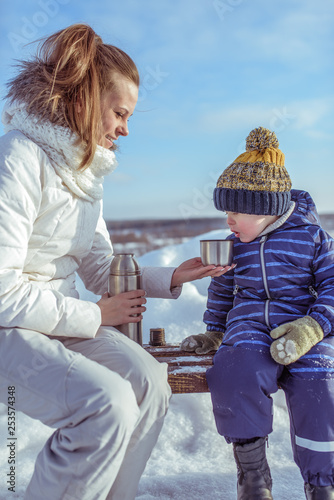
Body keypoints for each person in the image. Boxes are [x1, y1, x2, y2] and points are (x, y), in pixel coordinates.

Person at [0, 24, 230, 500]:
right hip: (8, 328)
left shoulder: (84, 173)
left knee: (149, 382)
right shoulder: (18, 157)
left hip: (54, 319)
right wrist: (94, 315)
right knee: (105, 404)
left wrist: (173, 276)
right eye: (119, 112)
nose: (125, 128)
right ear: (83, 100)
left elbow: (101, 268)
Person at [181, 127, 334, 500]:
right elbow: (221, 290)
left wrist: (314, 326)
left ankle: (322, 482)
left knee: (319, 382)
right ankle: (253, 477)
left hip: (302, 328)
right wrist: (215, 331)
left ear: (266, 209)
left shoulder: (313, 239)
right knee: (234, 371)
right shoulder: (235, 246)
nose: (228, 220)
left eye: (235, 211)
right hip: (249, 327)